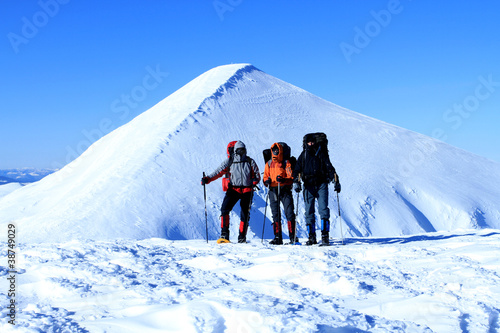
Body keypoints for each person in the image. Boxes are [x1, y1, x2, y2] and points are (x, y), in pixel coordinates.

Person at [202, 141, 261, 243]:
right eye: (240, 150)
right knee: (225, 209)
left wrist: (254, 181)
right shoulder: (230, 161)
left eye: (243, 149)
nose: (242, 152)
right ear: (236, 151)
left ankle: (242, 237)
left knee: (245, 214)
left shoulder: (250, 161)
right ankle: (225, 235)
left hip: (247, 190)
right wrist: (208, 179)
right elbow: (218, 172)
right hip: (233, 189)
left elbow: (257, 175)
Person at [293, 134, 341, 245]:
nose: (311, 144)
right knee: (309, 211)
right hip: (308, 185)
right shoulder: (303, 155)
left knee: (323, 209)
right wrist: (296, 181)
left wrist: (336, 181)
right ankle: (312, 237)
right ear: (306, 143)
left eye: (312, 142)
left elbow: (329, 167)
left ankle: (325, 236)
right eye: (309, 142)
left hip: (321, 184)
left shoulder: (321, 154)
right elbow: (297, 170)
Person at [263, 142, 298, 245]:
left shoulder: (286, 162)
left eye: (276, 151)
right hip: (274, 190)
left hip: (284, 189)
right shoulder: (269, 164)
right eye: (274, 151)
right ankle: (278, 237)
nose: (275, 153)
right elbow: (265, 176)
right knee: (276, 214)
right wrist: (266, 181)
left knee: (289, 213)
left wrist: (283, 179)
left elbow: (291, 177)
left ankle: (291, 237)